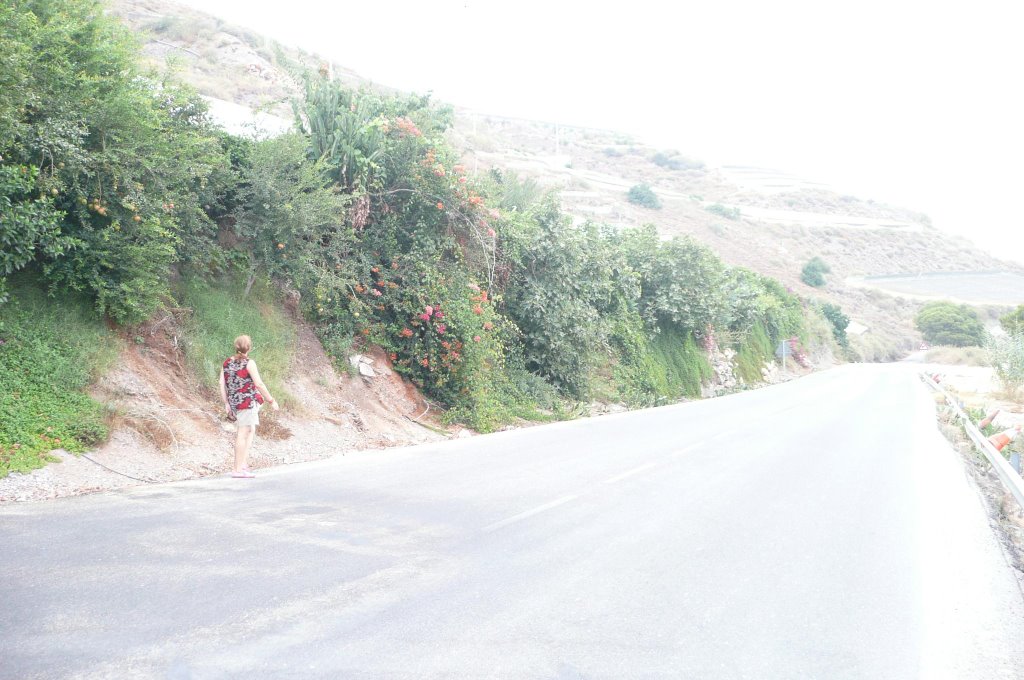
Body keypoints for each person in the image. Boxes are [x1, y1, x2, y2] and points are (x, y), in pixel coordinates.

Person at [220, 334, 279, 478]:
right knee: (242, 433)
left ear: (236, 346)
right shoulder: (249, 363)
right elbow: (259, 384)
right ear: (249, 348)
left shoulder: (227, 362)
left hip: (234, 402)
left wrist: (226, 403)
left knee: (251, 429)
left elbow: (221, 383)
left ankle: (243, 462)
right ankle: (237, 469)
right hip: (246, 403)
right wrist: (271, 400)